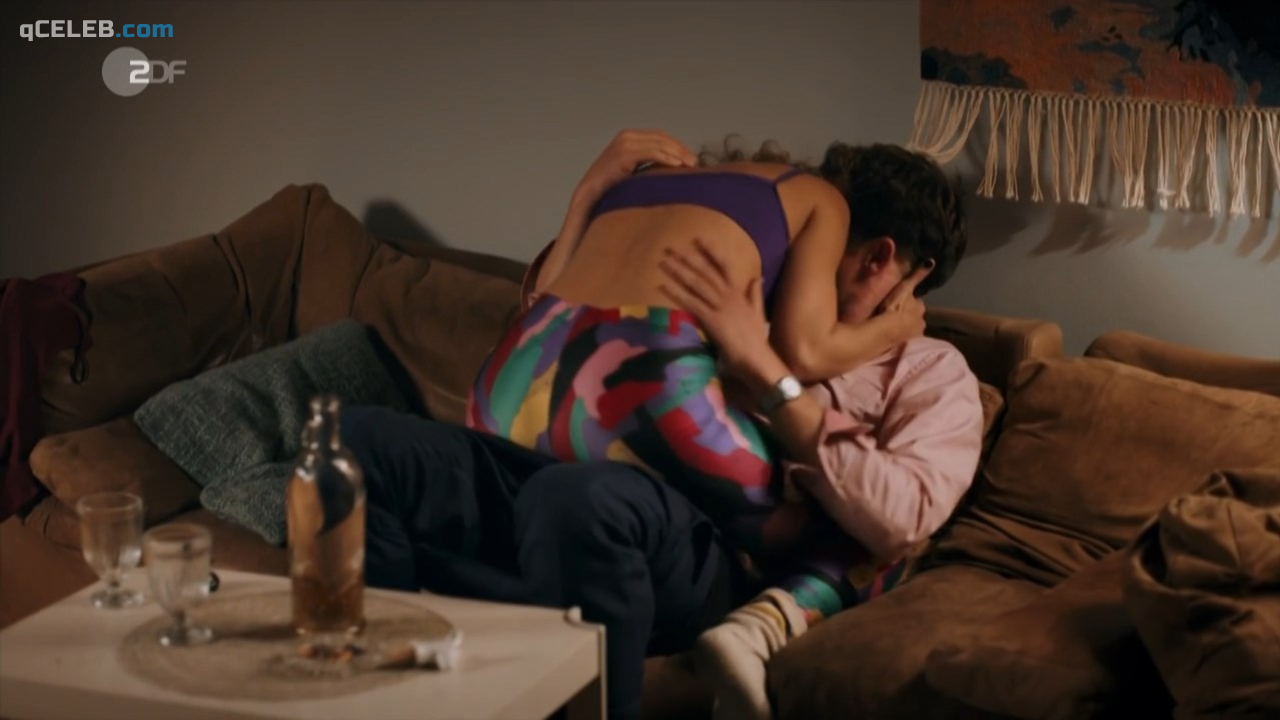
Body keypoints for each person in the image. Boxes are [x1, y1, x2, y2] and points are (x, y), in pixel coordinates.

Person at [344, 131, 981, 720]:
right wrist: (588, 199)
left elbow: (903, 516)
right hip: (562, 474)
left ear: (886, 263)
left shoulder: (930, 370)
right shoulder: (747, 284)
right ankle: (384, 700)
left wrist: (764, 371)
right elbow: (563, 353)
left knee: (576, 498)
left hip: (704, 541)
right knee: (363, 443)